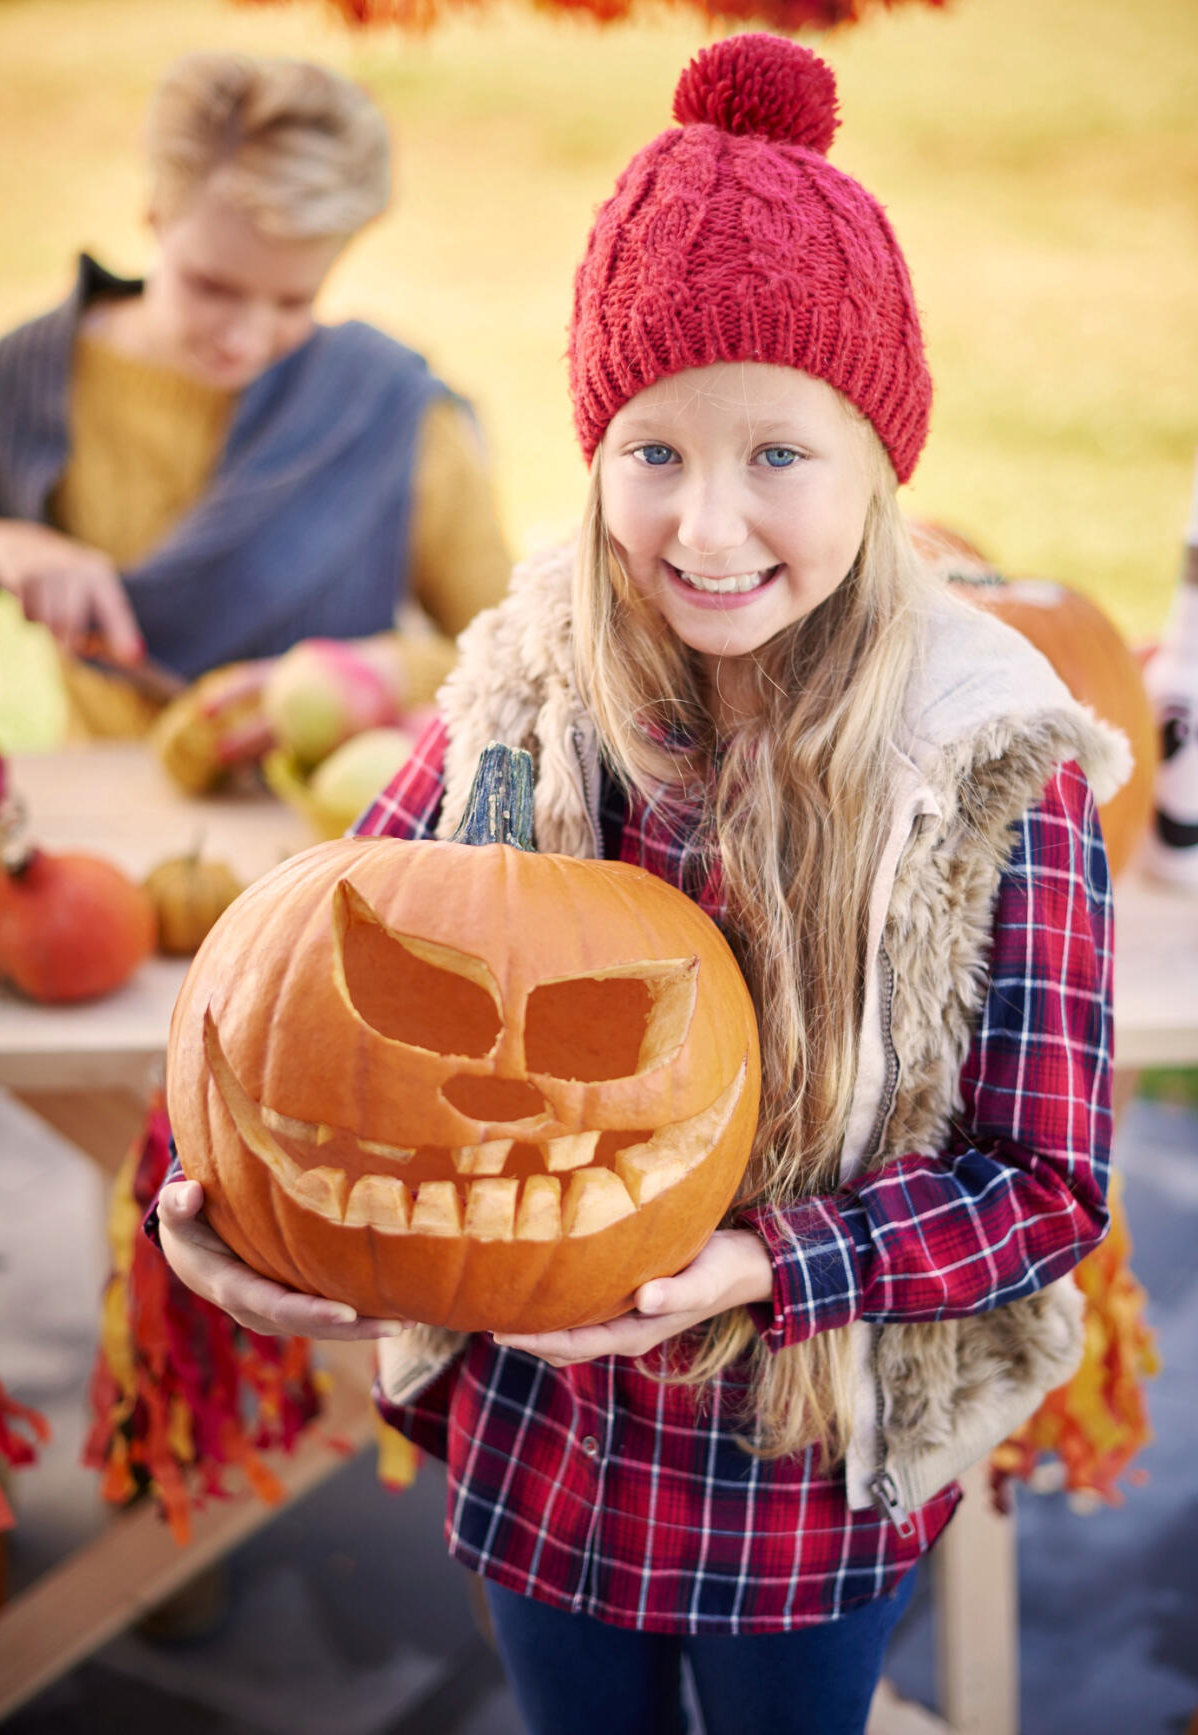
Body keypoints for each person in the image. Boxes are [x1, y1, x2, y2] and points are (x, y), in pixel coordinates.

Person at [154, 36, 1125, 1734]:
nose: (708, 524)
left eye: (778, 456)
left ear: (878, 463)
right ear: (597, 454)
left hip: (799, 1463)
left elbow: (1042, 1185)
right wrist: (209, 1210)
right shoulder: (533, 690)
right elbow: (310, 963)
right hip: (547, 1445)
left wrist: (767, 1263)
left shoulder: (988, 772)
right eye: (654, 452)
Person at [0, 51, 510, 789]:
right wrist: (11, 542)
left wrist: (375, 673)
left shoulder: (391, 412)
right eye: (211, 285)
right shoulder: (29, 381)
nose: (244, 337)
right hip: (104, 827)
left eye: (293, 301)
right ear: (155, 215)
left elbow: (520, 654)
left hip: (325, 847)